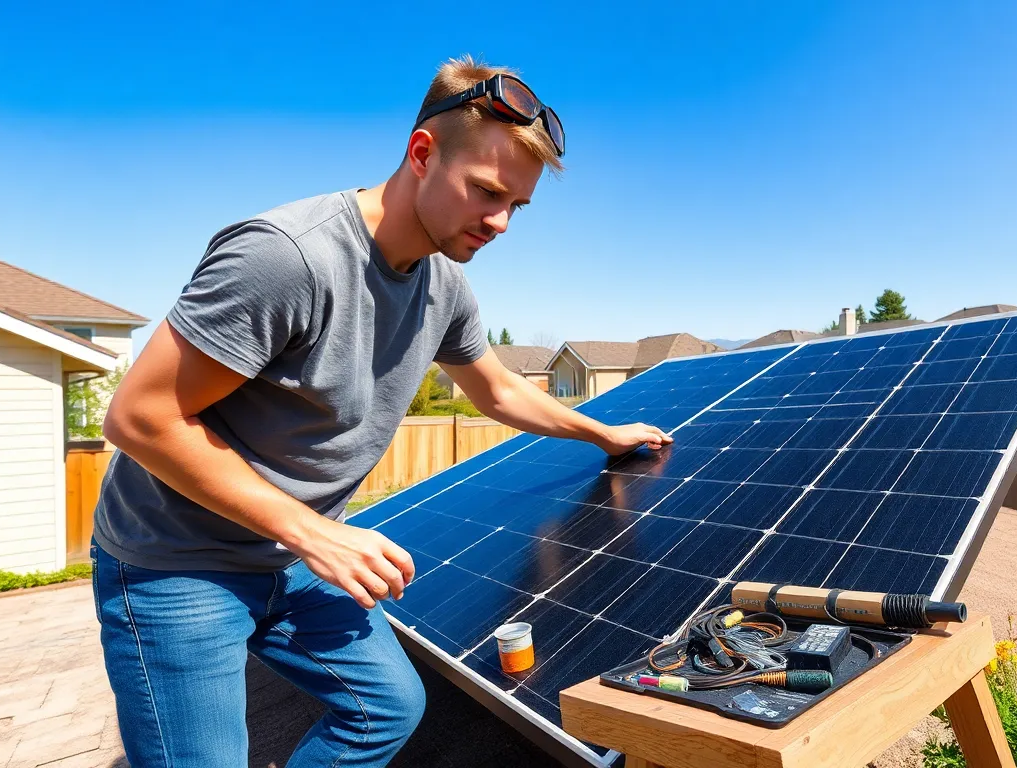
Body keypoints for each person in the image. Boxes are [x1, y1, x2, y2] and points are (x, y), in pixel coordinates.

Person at [90, 55, 672, 768]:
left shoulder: (445, 287)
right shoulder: (289, 258)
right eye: (487, 192)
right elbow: (141, 418)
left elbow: (498, 390)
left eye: (516, 206)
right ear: (422, 154)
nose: (501, 222)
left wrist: (604, 433)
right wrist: (314, 535)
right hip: (178, 563)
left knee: (384, 709)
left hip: (293, 553)